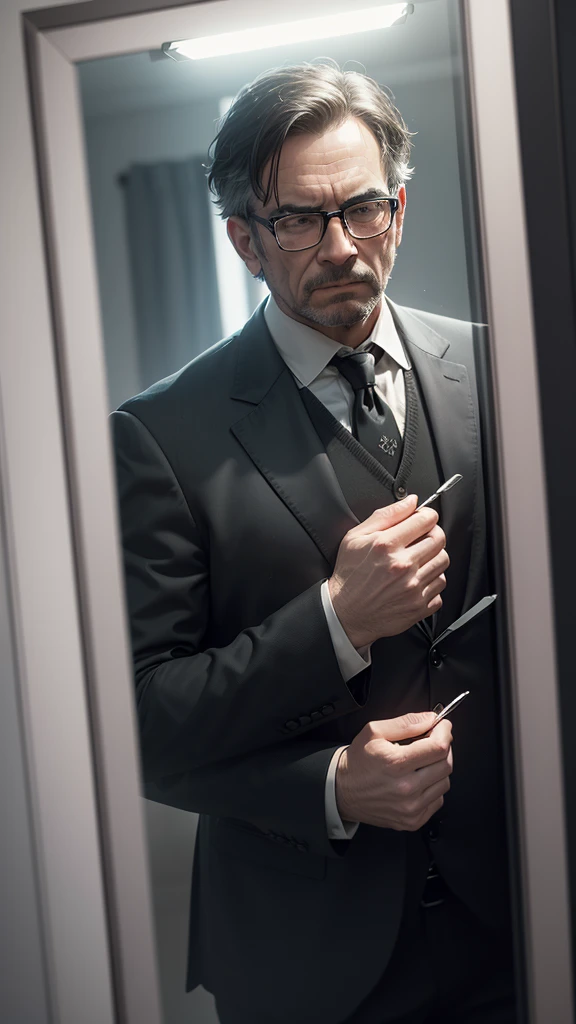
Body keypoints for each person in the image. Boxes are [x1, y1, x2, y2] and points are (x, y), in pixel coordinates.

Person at [112, 62, 516, 1024]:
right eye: (300, 219)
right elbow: (141, 723)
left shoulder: (505, 368)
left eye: (363, 209)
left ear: (401, 208)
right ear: (244, 240)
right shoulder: (160, 436)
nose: (341, 246)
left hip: (520, 913)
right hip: (304, 956)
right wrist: (335, 630)